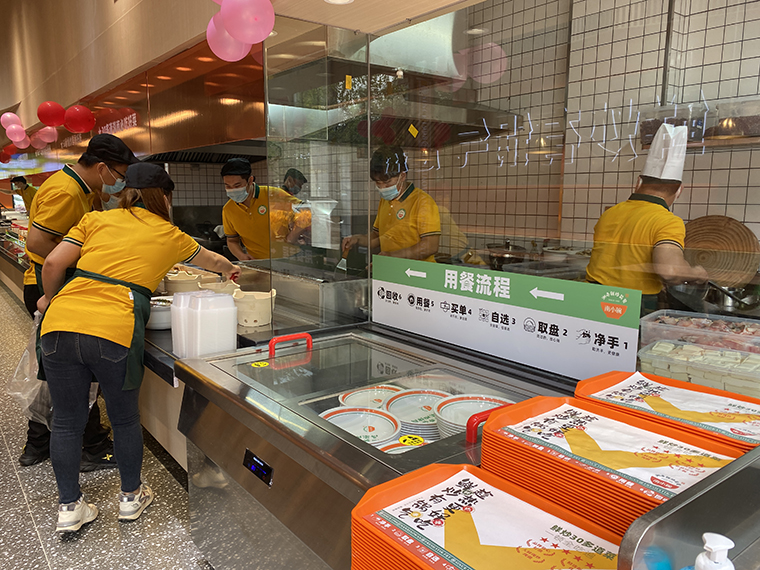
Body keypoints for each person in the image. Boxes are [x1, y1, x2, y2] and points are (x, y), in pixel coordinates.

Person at [36, 162, 241, 532]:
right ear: (164, 197)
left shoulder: (96, 220)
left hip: (59, 327)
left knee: (66, 420)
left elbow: (52, 263)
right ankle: (130, 497)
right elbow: (212, 261)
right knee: (124, 418)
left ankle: (69, 507)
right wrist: (231, 270)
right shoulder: (170, 234)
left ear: (126, 192)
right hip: (112, 329)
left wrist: (50, 300)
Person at [20, 133, 139, 469]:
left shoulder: (82, 189)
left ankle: (38, 443)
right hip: (50, 285)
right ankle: (91, 446)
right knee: (77, 374)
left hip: (56, 285)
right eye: (119, 174)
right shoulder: (66, 190)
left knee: (57, 373)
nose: (118, 181)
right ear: (102, 167)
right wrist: (84, 265)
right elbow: (38, 242)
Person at [586, 124, 708, 314]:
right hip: (632, 306)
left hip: (592, 299)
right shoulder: (668, 221)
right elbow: (670, 271)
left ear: (638, 182)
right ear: (679, 191)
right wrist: (697, 273)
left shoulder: (611, 213)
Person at [342, 146, 441, 263]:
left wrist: (392, 256)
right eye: (378, 183)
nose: (382, 187)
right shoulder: (385, 201)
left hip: (418, 271)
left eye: (387, 182)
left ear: (402, 176)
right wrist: (357, 239)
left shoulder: (422, 202)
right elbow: (377, 237)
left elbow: (430, 246)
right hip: (392, 269)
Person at [220, 158, 299, 261]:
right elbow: (232, 241)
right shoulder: (228, 209)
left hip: (291, 259)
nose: (232, 190)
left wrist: (292, 237)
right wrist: (241, 256)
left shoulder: (273, 194)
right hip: (258, 263)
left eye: (237, 185)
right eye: (228, 186)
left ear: (250, 180)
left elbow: (306, 212)